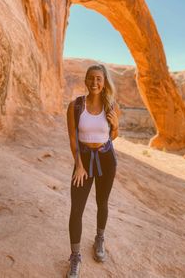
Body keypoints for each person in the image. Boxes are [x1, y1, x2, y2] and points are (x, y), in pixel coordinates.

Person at [66, 64, 120, 278]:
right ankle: (75, 256)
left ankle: (99, 238)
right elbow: (72, 138)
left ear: (104, 81)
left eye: (99, 78)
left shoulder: (112, 106)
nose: (95, 82)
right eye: (91, 78)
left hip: (107, 159)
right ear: (86, 81)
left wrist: (115, 126)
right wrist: (79, 165)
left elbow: (113, 136)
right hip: (84, 159)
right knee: (76, 209)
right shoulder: (76, 106)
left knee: (102, 202)